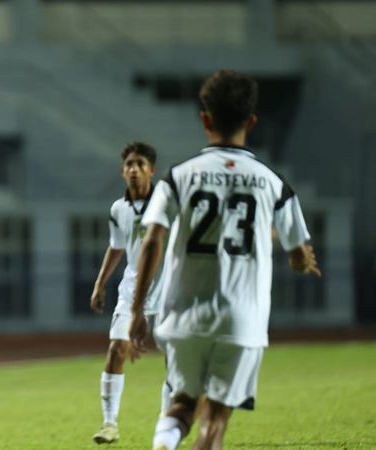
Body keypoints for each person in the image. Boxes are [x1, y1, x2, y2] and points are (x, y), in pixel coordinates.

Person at [128, 70, 321, 450]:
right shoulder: (274, 184)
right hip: (242, 320)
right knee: (214, 420)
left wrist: (137, 310)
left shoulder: (179, 177)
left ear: (205, 119)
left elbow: (152, 241)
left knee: (182, 404)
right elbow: (299, 254)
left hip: (182, 316)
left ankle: (164, 444)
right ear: (251, 122)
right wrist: (302, 261)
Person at [89, 142, 171, 444]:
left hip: (167, 293)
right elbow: (117, 246)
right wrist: (100, 283)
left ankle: (166, 426)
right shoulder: (118, 209)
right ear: (123, 171)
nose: (134, 169)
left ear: (151, 170)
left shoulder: (167, 202)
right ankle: (109, 424)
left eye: (140, 164)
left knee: (174, 361)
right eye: (129, 165)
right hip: (130, 291)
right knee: (115, 351)